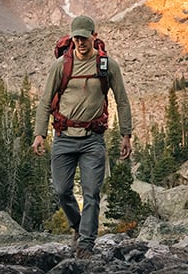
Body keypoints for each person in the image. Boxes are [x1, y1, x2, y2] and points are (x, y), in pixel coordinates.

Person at [32, 15, 133, 258]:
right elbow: (46, 102)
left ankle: (86, 245)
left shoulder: (107, 66)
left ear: (94, 37)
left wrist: (126, 135)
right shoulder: (61, 65)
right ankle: (78, 226)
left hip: (92, 139)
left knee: (91, 193)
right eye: (76, 37)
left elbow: (122, 100)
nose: (80, 42)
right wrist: (39, 134)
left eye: (84, 37)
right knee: (62, 190)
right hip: (63, 137)